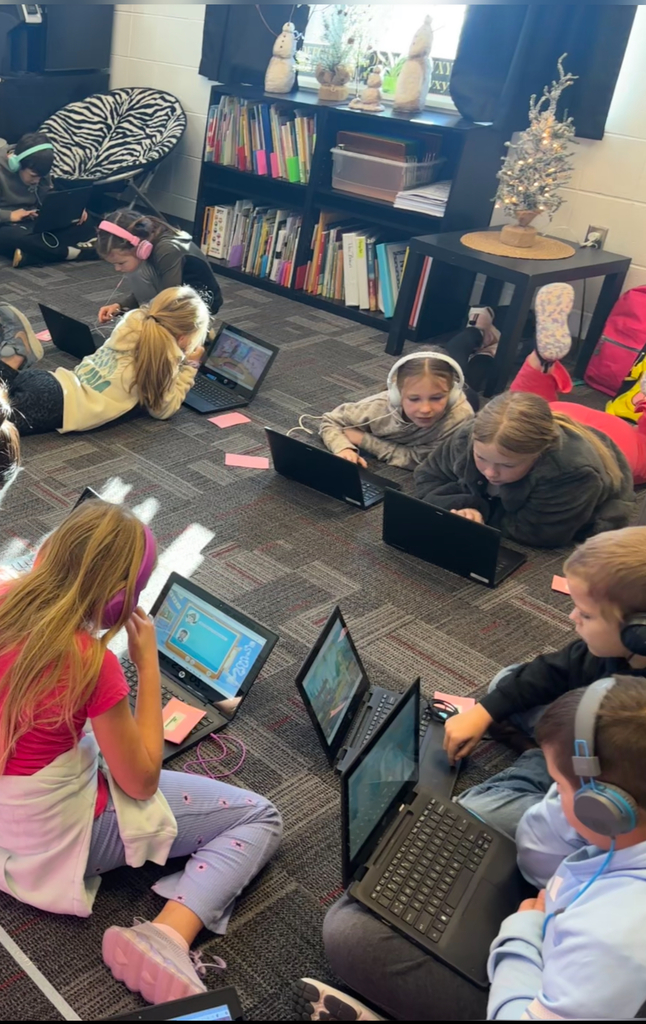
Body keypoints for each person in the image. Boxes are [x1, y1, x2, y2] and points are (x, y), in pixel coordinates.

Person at [0, 500, 282, 1004]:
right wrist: (146, 667)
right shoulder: (91, 662)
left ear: (47, 551)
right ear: (119, 602)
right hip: (48, 838)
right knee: (259, 816)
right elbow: (141, 781)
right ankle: (166, 935)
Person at [305, 675, 646, 1021]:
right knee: (461, 816)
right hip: (564, 932)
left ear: (603, 810)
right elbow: (535, 863)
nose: (554, 797)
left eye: (558, 787)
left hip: (541, 980)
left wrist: (522, 934)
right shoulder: (619, 842)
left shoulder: (612, 938)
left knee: (347, 932)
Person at [446, 526, 646, 838]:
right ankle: (545, 755)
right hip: (587, 730)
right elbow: (556, 669)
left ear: (638, 632)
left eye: (586, 614)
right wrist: (484, 712)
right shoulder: (624, 649)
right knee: (505, 682)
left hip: (614, 771)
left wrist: (563, 767)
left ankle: (544, 763)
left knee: (476, 810)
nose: (571, 617)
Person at [447, 283, 646, 485]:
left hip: (568, 422)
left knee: (521, 409)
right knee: (518, 413)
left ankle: (541, 361)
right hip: (610, 439)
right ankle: (539, 361)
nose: (490, 474)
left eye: (505, 466)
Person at [413, 383, 635, 548]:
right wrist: (468, 505)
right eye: (481, 458)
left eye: (507, 465)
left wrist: (479, 512)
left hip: (617, 455)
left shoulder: (571, 472)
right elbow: (427, 475)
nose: (491, 473)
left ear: (538, 454)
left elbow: (540, 533)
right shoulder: (469, 435)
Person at [0, 285, 209, 435]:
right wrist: (190, 365)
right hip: (57, 405)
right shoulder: (161, 361)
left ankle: (12, 358)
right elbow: (163, 410)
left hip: (51, 381)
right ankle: (16, 356)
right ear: (183, 338)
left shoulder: (133, 326)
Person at [318, 351, 475, 471]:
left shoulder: (459, 418)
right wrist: (343, 448)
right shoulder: (378, 407)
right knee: (460, 348)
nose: (425, 409)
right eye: (414, 399)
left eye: (436, 398)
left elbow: (426, 461)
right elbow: (330, 421)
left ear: (453, 395)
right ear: (397, 395)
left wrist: (364, 440)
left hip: (471, 402)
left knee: (475, 379)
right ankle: (475, 333)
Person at [96, 210, 223, 321]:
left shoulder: (167, 250)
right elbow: (151, 289)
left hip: (200, 305)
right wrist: (120, 306)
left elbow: (169, 301)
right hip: (175, 295)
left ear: (140, 248)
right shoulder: (149, 243)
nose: (117, 269)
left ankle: (200, 338)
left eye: (120, 263)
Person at [0, 132, 95, 267]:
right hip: (7, 224)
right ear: (17, 164)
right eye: (33, 176)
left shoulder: (39, 168)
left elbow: (46, 195)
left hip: (32, 218)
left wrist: (70, 210)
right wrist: (10, 215)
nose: (37, 181)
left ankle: (31, 256)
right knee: (11, 237)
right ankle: (73, 253)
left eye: (41, 176)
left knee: (87, 222)